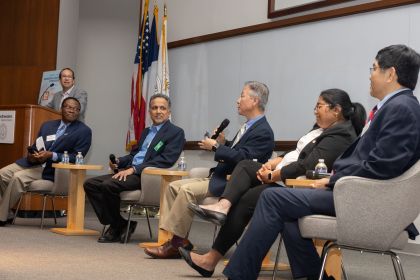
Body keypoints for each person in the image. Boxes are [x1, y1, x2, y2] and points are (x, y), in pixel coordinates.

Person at [221, 44, 420, 280]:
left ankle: (239, 275)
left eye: (374, 68)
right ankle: (313, 275)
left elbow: (384, 165)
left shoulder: (402, 108)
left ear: (391, 73)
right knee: (286, 210)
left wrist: (332, 181)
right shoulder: (395, 107)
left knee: (273, 197)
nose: (370, 74)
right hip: (357, 193)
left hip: (364, 200)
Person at [181, 89, 366, 277]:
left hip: (297, 185)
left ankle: (213, 259)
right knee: (246, 166)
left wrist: (274, 175)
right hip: (285, 178)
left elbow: (307, 164)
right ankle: (222, 207)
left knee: (251, 197)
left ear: (336, 110)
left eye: (319, 106)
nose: (315, 111)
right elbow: (296, 152)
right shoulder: (320, 129)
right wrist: (272, 163)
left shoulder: (341, 135)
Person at [144, 81, 275, 259]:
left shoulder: (264, 131)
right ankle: (178, 240)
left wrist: (216, 147)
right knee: (173, 187)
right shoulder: (248, 126)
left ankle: (174, 244)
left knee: (186, 190)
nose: (238, 100)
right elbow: (238, 151)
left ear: (254, 101)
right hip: (219, 176)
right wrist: (223, 143)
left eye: (242, 96)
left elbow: (245, 160)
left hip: (234, 184)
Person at [83, 94, 185, 243]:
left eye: (162, 108)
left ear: (169, 112)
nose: (158, 111)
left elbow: (165, 160)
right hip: (132, 172)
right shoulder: (146, 132)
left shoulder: (175, 132)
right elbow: (134, 154)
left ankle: (116, 226)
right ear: (149, 111)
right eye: (154, 108)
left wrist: (134, 169)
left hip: (148, 177)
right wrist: (119, 161)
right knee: (90, 184)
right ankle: (120, 223)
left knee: (108, 185)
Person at [0, 97, 92, 226]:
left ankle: (1, 216)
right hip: (33, 163)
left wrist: (52, 155)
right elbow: (36, 145)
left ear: (79, 112)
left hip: (53, 170)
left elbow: (77, 157)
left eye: (76, 109)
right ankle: (7, 211)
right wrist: (33, 154)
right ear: (62, 109)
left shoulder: (84, 131)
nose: (72, 111)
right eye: (69, 107)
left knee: (17, 178)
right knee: (2, 174)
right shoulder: (48, 125)